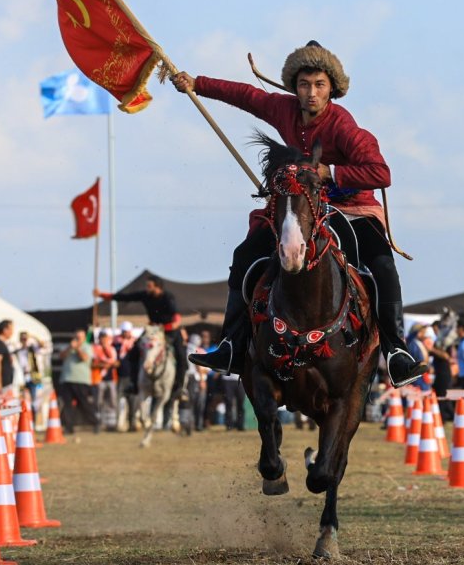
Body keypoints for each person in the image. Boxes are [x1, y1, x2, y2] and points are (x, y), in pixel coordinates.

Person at [171, 41, 425, 388]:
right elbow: (246, 95)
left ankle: (396, 352)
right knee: (245, 254)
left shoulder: (344, 127)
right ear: (294, 86)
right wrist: (197, 83)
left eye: (319, 85)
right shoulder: (283, 109)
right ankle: (230, 344)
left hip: (350, 210)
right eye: (304, 85)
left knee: (381, 264)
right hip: (300, 207)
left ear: (331, 88)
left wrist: (330, 173)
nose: (311, 93)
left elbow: (382, 173)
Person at [95, 276, 187, 400]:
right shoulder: (145, 296)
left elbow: (176, 316)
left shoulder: (167, 297)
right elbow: (126, 297)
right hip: (152, 330)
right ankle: (134, 384)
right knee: (133, 352)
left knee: (181, 356)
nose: (146, 288)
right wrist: (103, 295)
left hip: (170, 331)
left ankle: (181, 389)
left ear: (157, 287)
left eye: (149, 286)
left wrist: (172, 325)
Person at [58, 329, 99, 434]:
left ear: (84, 338)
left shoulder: (87, 347)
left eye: (79, 337)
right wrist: (70, 348)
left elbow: (85, 358)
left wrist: (77, 349)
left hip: (81, 380)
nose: (77, 339)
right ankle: (69, 427)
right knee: (67, 404)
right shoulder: (69, 346)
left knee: (84, 403)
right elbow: (61, 356)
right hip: (66, 379)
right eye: (76, 337)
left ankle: (95, 422)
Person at [92, 330, 119, 430]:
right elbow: (92, 363)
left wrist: (111, 364)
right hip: (99, 379)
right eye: (101, 337)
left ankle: (111, 424)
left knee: (112, 401)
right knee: (98, 401)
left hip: (111, 379)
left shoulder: (112, 349)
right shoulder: (95, 349)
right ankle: (98, 423)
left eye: (105, 337)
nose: (103, 340)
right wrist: (104, 365)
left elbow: (116, 363)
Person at [0, 319, 15, 394]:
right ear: (5, 330)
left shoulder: (2, 343)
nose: (12, 332)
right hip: (3, 384)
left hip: (6, 382)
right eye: (11, 329)